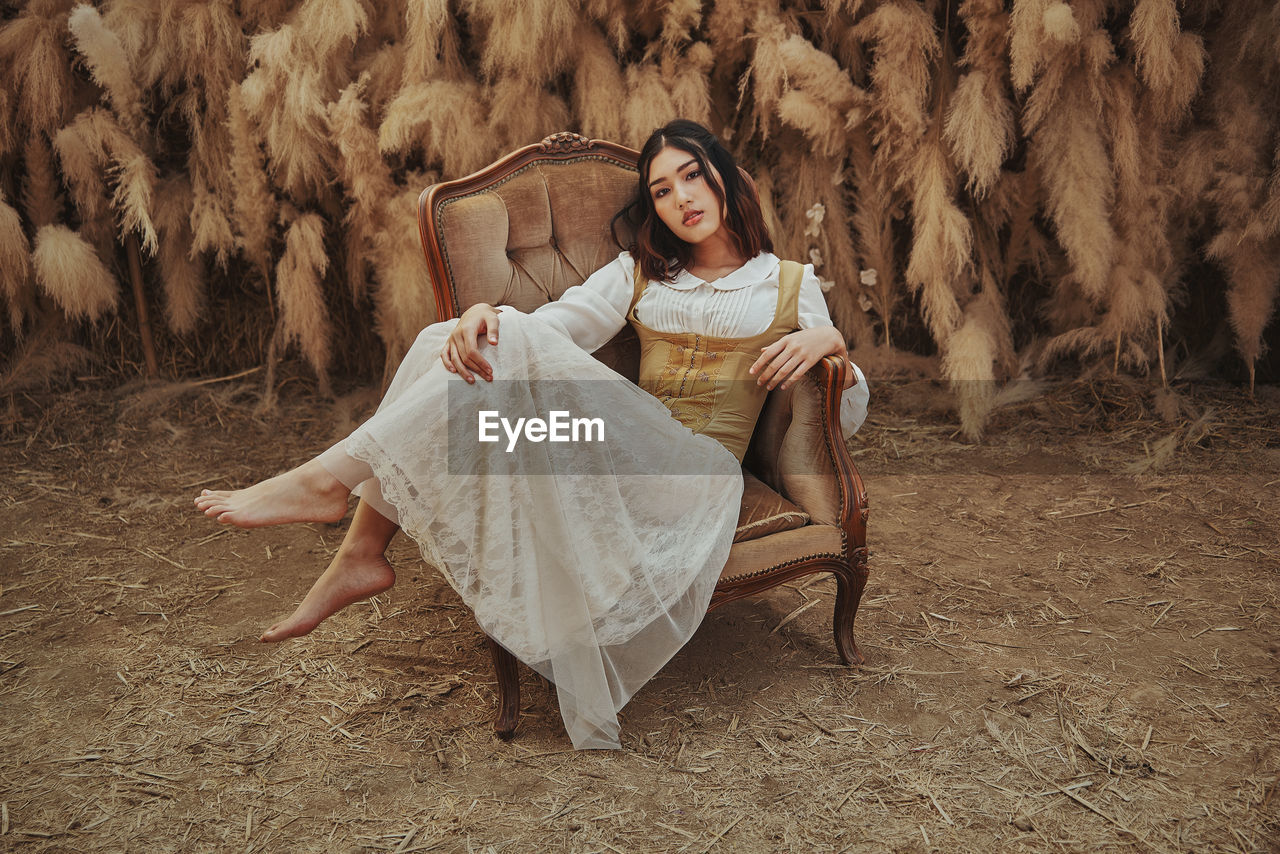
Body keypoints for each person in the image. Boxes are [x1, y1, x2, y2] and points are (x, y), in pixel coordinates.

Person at [194, 119, 869, 750]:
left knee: (467, 343)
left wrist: (829, 339)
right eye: (661, 190)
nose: (680, 198)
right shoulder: (639, 272)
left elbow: (846, 413)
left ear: (723, 176)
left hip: (697, 477)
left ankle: (330, 494)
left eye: (692, 175)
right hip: (625, 457)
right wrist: (486, 314)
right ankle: (359, 550)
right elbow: (551, 329)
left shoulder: (789, 284)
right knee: (452, 341)